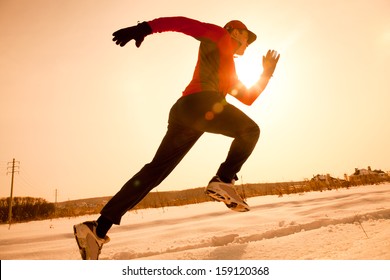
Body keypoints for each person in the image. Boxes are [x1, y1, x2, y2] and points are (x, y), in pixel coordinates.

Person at [74, 16, 280, 260]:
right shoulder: (219, 35)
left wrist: (266, 74)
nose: (248, 44)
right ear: (234, 32)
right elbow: (183, 23)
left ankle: (97, 229)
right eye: (247, 37)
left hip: (187, 113)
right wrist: (145, 28)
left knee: (154, 172)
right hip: (199, 104)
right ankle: (224, 179)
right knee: (250, 130)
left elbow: (247, 97)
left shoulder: (227, 68)